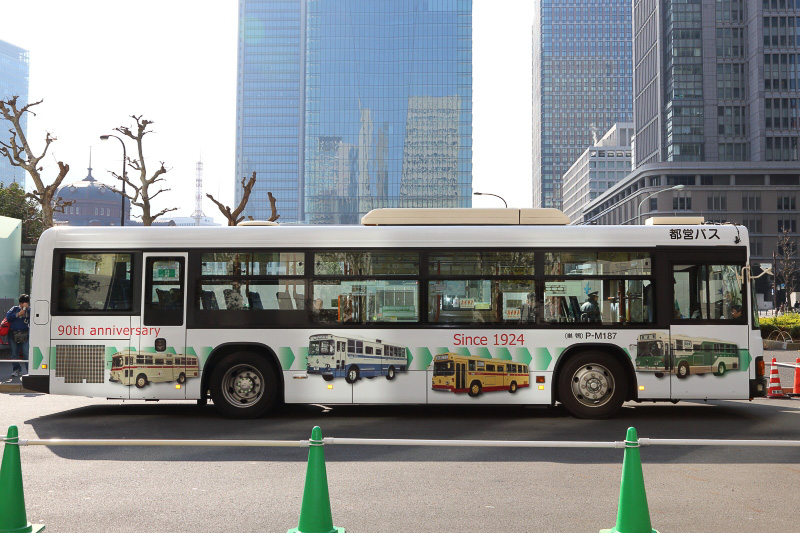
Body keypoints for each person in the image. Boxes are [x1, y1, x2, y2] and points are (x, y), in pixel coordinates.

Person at [6, 294, 30, 378]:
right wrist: (19, 314)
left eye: (25, 302)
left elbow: (36, 317)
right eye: (22, 303)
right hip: (13, 334)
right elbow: (8, 317)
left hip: (25, 334)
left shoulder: (30, 310)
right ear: (19, 303)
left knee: (26, 353)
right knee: (14, 354)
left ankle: (29, 371)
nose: (23, 304)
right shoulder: (14, 309)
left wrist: (27, 310)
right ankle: (16, 370)